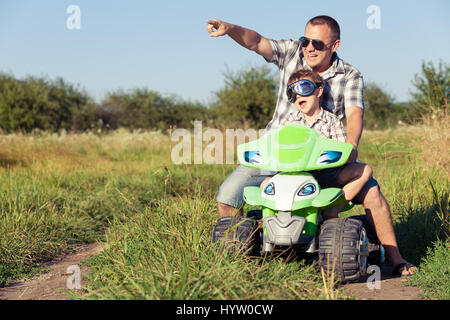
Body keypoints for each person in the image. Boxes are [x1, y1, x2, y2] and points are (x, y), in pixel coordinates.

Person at [206, 15, 415, 276]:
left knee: (371, 191)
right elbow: (256, 41)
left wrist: (350, 146)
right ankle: (240, 263)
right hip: (276, 157)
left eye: (317, 43)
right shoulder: (293, 52)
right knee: (229, 194)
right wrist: (230, 29)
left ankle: (394, 258)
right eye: (306, 40)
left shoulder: (349, 75)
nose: (310, 47)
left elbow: (354, 114)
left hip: (323, 159)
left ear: (334, 45)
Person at [259, 69, 373, 221]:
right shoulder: (289, 123)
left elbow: (341, 151)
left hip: (327, 175)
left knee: (365, 170)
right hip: (295, 175)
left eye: (304, 88)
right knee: (265, 183)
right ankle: (274, 219)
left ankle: (332, 211)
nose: (298, 95)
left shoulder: (332, 121)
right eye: (292, 92)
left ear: (318, 91)